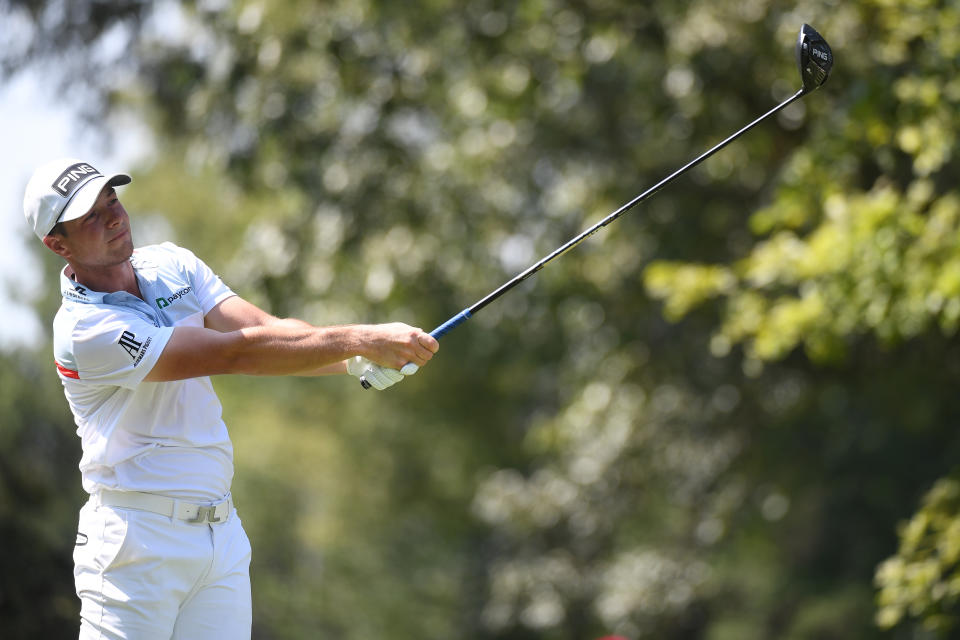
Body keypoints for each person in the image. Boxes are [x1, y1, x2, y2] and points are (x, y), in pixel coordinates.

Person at [23, 158, 440, 639]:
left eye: (112, 200)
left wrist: (352, 363)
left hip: (220, 537)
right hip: (134, 548)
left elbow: (262, 330)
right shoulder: (85, 330)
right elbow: (234, 353)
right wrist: (361, 340)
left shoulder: (172, 263)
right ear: (58, 244)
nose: (114, 218)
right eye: (91, 217)